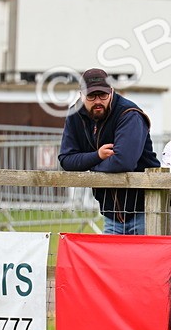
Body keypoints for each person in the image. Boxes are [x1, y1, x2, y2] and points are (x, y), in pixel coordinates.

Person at [58, 67, 159, 234]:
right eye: (91, 96)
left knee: (143, 260)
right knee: (110, 261)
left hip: (145, 210)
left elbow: (123, 162)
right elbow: (66, 160)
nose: (98, 100)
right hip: (110, 213)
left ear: (111, 92)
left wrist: (92, 168)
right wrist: (97, 155)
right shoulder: (75, 115)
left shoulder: (129, 114)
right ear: (81, 95)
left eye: (103, 95)